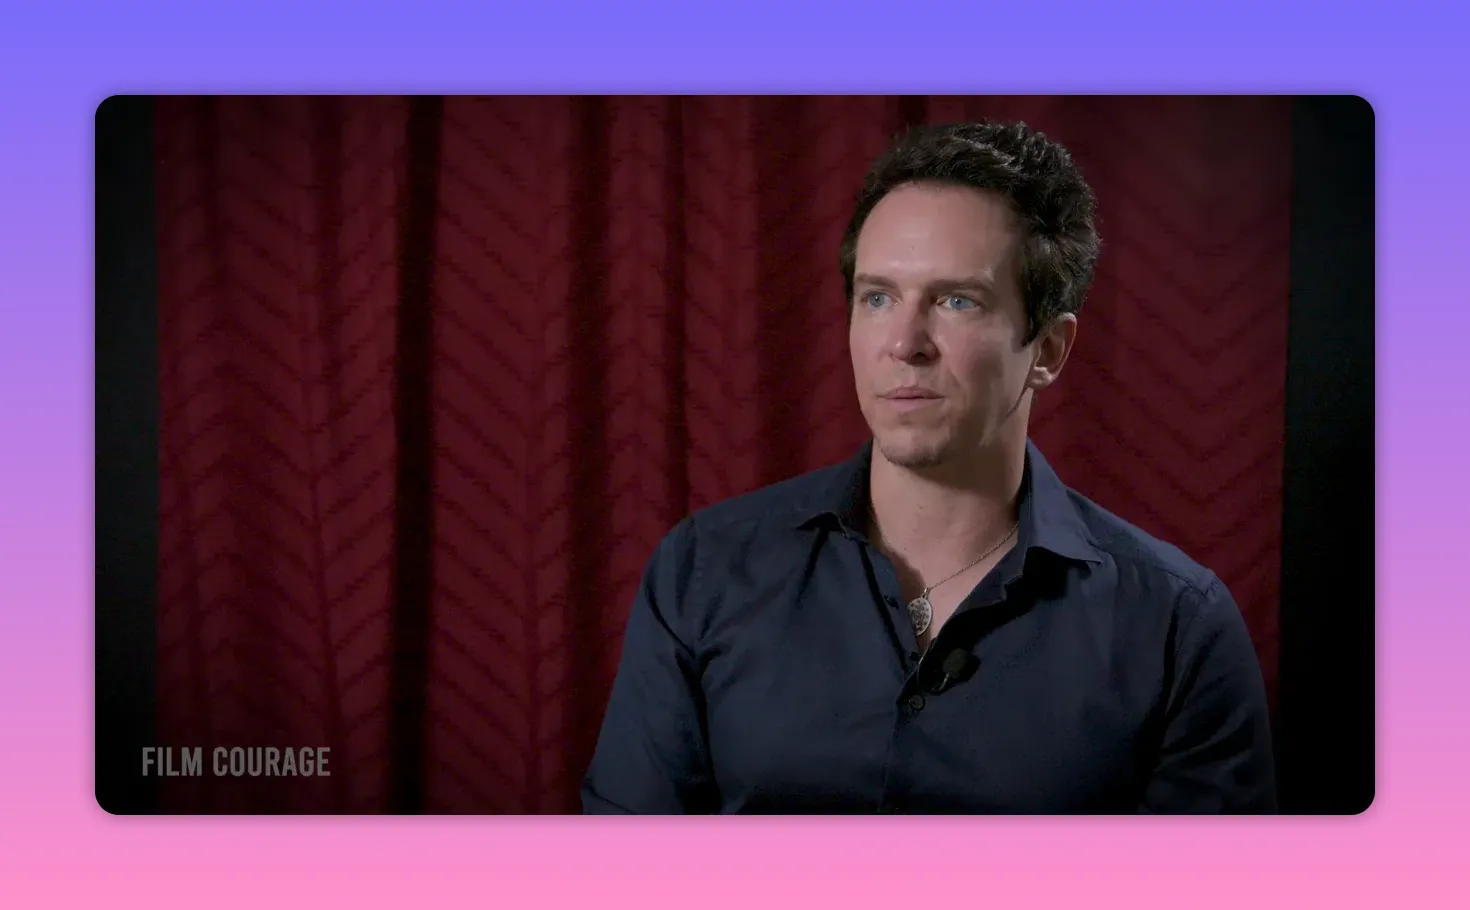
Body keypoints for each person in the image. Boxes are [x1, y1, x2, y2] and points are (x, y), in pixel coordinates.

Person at [581, 121, 1277, 814]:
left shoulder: (1177, 627)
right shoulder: (704, 573)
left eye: (956, 301)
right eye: (878, 297)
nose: (904, 343)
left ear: (1050, 349)